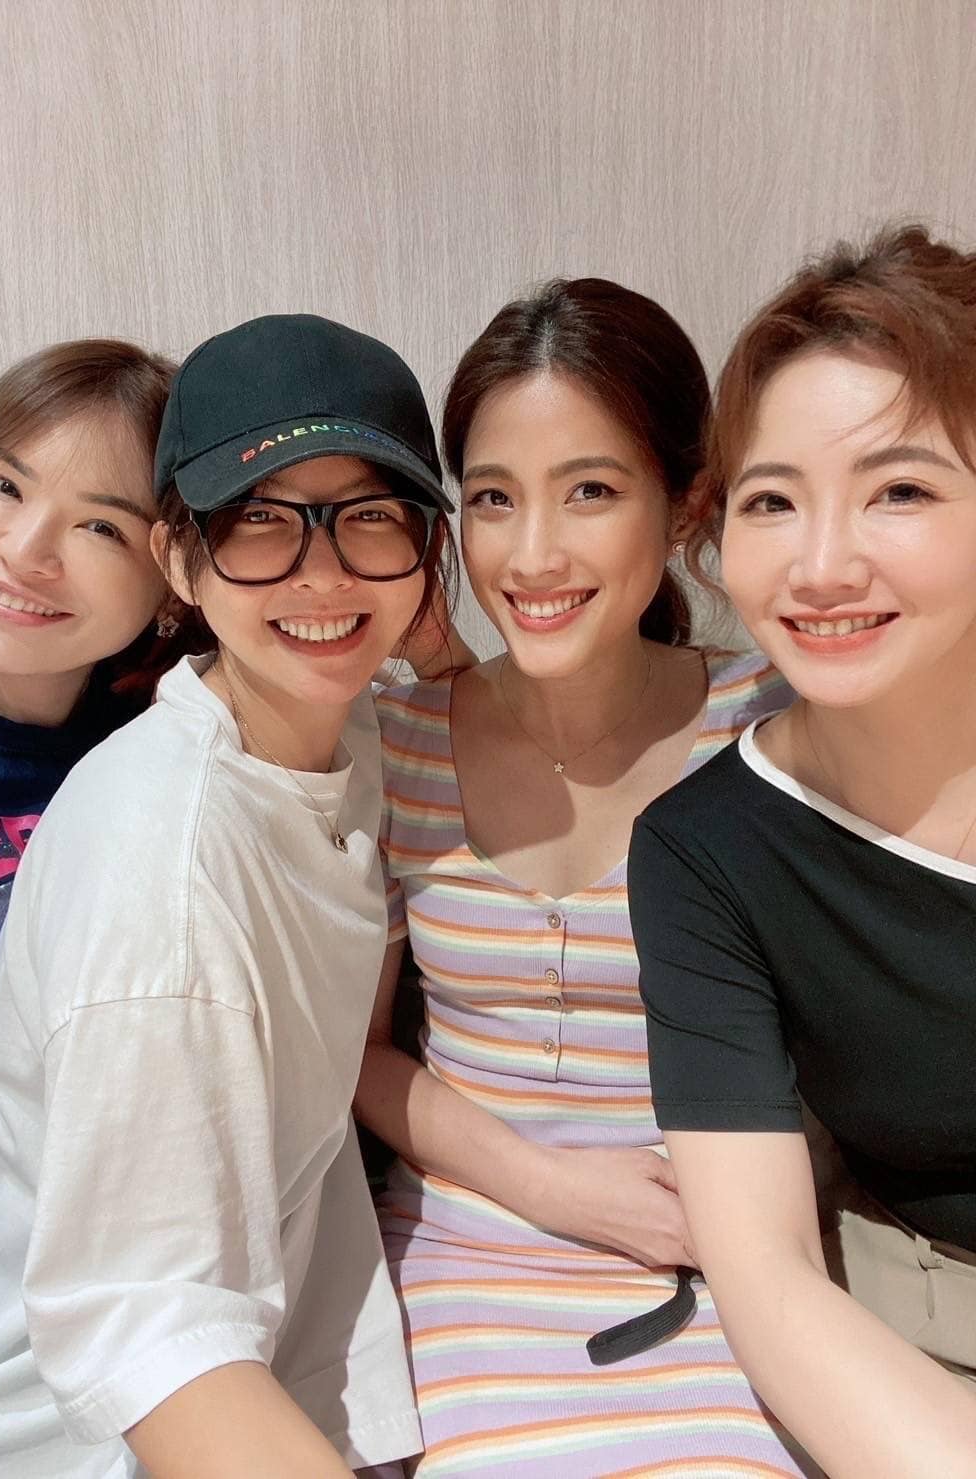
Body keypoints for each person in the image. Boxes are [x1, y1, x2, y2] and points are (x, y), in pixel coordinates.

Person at [0, 312, 458, 1477]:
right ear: (185, 565)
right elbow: (145, 1330)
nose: (320, 571)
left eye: (370, 516)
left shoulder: (326, 722)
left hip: (254, 1321)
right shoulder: (159, 858)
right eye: (260, 521)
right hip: (53, 1425)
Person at [354, 279, 815, 1476]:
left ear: (684, 504)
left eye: (591, 491)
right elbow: (359, 1054)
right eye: (493, 498)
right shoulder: (396, 741)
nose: (533, 553)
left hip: (714, 1252)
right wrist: (557, 1189)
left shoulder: (771, 724)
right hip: (461, 1240)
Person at [629, 225, 976, 1478]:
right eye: (772, 500)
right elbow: (767, 1280)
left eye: (901, 490)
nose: (821, 566)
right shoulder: (706, 852)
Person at [0, 338, 183, 1396]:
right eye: (3, 483)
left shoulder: (169, 751)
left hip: (100, 1292)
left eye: (101, 525)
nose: (24, 549)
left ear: (173, 578)